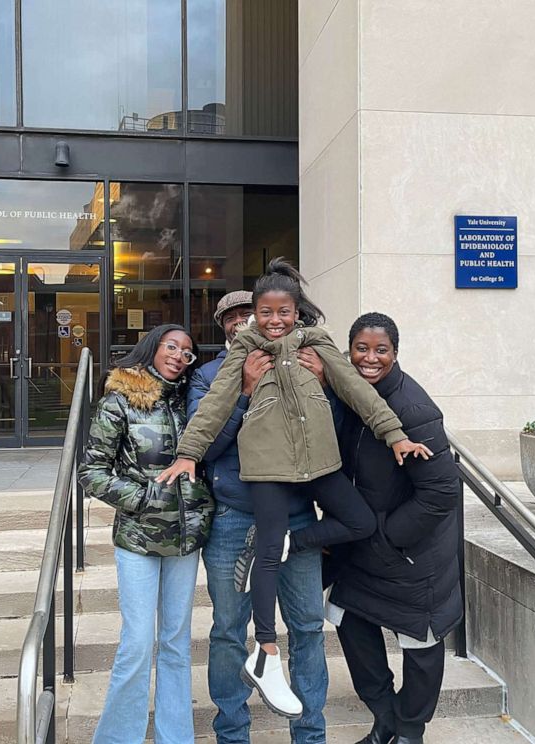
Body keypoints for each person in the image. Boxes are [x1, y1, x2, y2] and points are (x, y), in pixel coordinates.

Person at [157, 259, 432, 719]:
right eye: (263, 313)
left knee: (359, 521)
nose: (273, 321)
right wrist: (189, 453)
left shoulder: (317, 344)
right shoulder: (241, 352)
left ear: (297, 311)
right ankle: (265, 653)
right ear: (248, 319)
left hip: (314, 468)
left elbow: (359, 393)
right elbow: (214, 407)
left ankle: (293, 543)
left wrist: (394, 433)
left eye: (283, 312)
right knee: (257, 571)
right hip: (263, 473)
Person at [190, 290, 330, 744]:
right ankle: (232, 733)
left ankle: (309, 734)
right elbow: (205, 448)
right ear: (223, 326)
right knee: (229, 630)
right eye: (231, 317)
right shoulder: (207, 377)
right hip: (234, 520)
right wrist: (244, 393)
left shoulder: (301, 362)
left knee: (307, 626)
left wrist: (323, 381)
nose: (240, 322)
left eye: (247, 314)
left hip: (296, 519)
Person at [326, 312, 463, 744]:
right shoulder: (348, 396)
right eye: (361, 349)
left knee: (420, 647)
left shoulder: (413, 409)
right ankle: (385, 717)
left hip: (409, 554)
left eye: (380, 350)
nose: (370, 358)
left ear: (395, 353)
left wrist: (386, 537)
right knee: (350, 623)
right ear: (348, 352)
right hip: (362, 547)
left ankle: (409, 730)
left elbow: (441, 492)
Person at [78, 324, 215, 744]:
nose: (178, 355)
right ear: (152, 348)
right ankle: (118, 738)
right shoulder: (120, 401)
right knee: (138, 644)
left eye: (187, 352)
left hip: (186, 539)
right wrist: (144, 499)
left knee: (175, 643)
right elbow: (92, 472)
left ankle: (176, 737)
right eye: (170, 346)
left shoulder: (193, 403)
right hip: (138, 538)